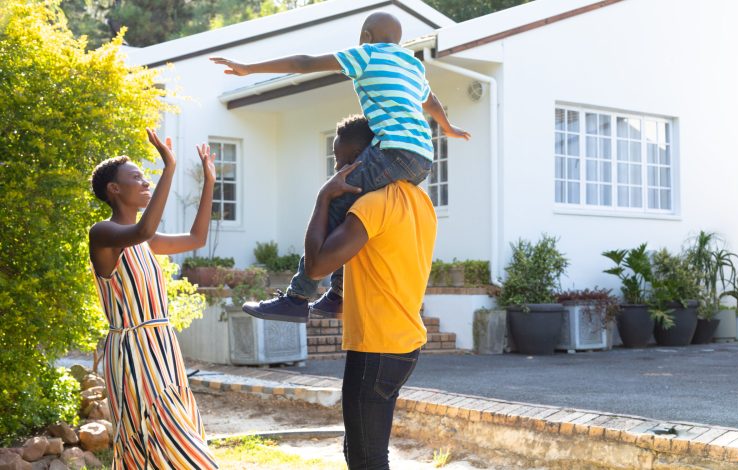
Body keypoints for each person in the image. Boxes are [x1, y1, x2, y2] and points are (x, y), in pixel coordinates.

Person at [211, 11, 469, 322]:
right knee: (356, 207)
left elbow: (304, 63)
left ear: (367, 36)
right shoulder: (411, 64)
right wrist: (448, 127)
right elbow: (431, 101)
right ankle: (338, 295)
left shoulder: (367, 55)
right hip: (422, 159)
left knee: (335, 198)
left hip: (393, 152)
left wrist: (249, 68)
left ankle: (296, 298)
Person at [297, 116, 436, 469]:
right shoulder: (420, 200)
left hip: (376, 345)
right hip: (404, 344)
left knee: (366, 459)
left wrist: (323, 197)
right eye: (336, 165)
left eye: (343, 163)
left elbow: (316, 266)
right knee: (362, 452)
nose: (340, 172)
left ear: (368, 159)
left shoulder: (371, 205)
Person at [88, 128, 219, 469]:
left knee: (177, 427)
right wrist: (169, 167)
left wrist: (210, 182)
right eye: (137, 177)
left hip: (163, 346)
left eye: (147, 177)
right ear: (114, 189)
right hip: (133, 351)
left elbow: (197, 237)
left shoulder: (147, 242)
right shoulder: (103, 234)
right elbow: (142, 230)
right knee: (159, 432)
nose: (145, 182)